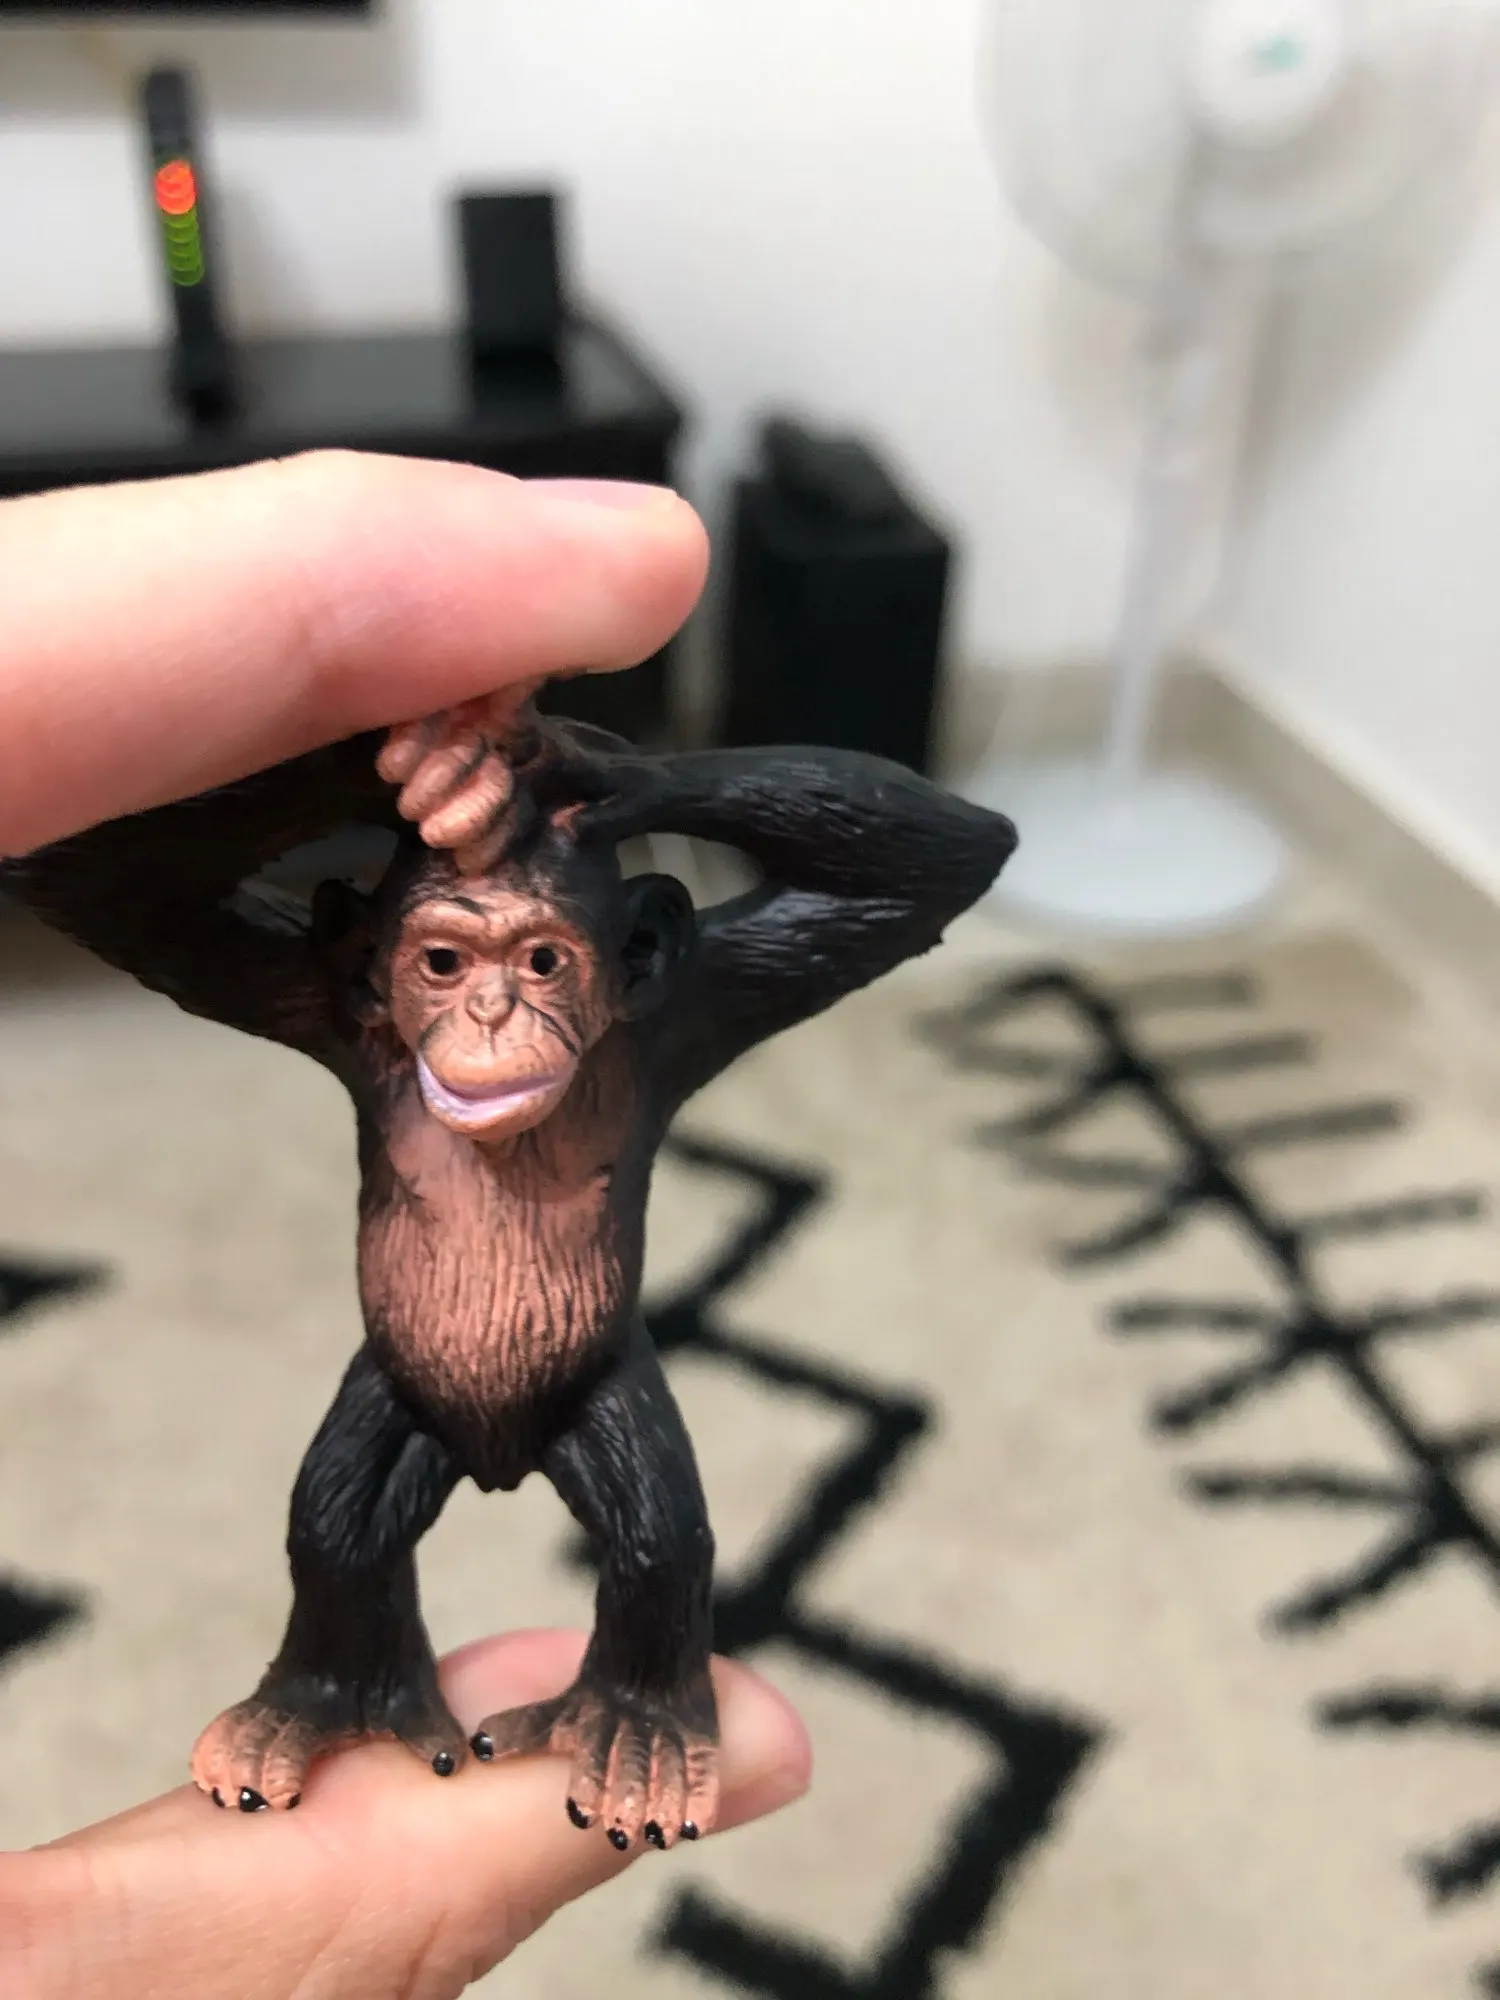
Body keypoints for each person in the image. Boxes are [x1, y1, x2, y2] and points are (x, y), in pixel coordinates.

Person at [0, 453, 812, 1999]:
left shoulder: (660, 1019)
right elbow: (84, 872)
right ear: (368, 966)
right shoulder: (360, 1020)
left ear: (634, 960)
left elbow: (934, 855)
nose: (490, 1013)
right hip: (409, 1365)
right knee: (333, 1533)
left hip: (586, 1366)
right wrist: (341, 777)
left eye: (539, 964)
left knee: (661, 1550)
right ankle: (338, 1672)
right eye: (445, 963)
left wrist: (655, 787)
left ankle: (648, 1698)